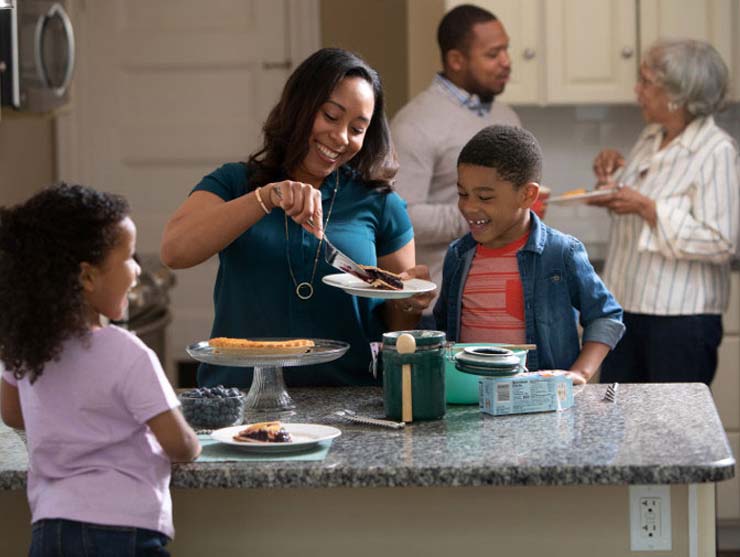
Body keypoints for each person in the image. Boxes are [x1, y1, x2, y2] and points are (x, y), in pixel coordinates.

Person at [160, 48, 433, 389]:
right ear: (300, 107)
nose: (341, 137)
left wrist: (410, 303)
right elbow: (175, 250)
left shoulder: (380, 203)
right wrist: (266, 197)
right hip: (239, 396)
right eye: (331, 116)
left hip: (346, 401)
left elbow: (398, 333)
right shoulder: (234, 183)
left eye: (357, 128)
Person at [0, 183, 201, 556]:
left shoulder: (26, 348)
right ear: (88, 276)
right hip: (125, 532)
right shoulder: (126, 352)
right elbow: (180, 445)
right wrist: (194, 438)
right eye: (128, 258)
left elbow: (12, 414)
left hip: (51, 530)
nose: (138, 271)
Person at [587, 39, 739, 386]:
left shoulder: (716, 151)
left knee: (673, 433)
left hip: (680, 321)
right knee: (618, 423)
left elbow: (720, 242)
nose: (637, 90)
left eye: (646, 81)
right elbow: (631, 208)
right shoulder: (651, 137)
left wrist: (648, 208)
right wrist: (610, 185)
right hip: (626, 308)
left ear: (678, 93)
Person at [434, 126, 625, 384]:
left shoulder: (561, 253)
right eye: (462, 194)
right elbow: (444, 331)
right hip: (471, 401)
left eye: (484, 197)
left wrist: (580, 372)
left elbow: (606, 315)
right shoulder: (458, 255)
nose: (469, 206)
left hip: (542, 403)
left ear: (528, 195)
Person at [391, 4, 521, 327]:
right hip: (440, 307)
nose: (506, 62)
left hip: (504, 302)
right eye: (493, 54)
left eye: (506, 50)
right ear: (456, 60)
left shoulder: (507, 117)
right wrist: (484, 214)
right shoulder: (415, 123)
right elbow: (401, 216)